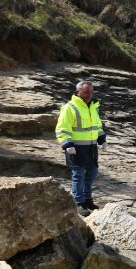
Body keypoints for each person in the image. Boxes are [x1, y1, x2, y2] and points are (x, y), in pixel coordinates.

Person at [55, 80, 107, 216]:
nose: (88, 94)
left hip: (91, 148)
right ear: (77, 92)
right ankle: (78, 203)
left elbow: (97, 126)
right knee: (78, 175)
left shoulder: (93, 107)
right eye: (85, 92)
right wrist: (67, 145)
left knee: (92, 174)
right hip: (76, 148)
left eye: (90, 92)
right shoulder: (70, 107)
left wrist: (102, 139)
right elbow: (62, 128)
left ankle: (87, 199)